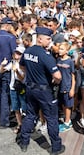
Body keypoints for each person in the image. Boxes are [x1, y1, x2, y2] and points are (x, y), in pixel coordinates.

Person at [18, 26, 65, 155]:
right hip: (44, 91)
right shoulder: (46, 56)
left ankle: (24, 141)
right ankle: (56, 147)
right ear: (39, 39)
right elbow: (58, 76)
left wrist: (32, 75)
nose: (50, 41)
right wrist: (55, 81)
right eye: (48, 39)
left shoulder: (27, 51)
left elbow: (22, 65)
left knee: (30, 115)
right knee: (51, 118)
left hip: (30, 88)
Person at [0, 46, 26, 134]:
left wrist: (17, 71)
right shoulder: (12, 62)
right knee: (16, 108)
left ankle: (28, 124)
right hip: (13, 88)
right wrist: (2, 64)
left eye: (19, 53)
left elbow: (22, 78)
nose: (17, 55)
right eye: (16, 53)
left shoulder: (24, 65)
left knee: (25, 107)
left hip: (22, 88)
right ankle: (20, 124)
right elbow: (1, 71)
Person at [57, 42, 76, 133]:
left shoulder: (70, 62)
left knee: (68, 105)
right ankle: (66, 119)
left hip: (67, 86)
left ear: (67, 51)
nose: (59, 50)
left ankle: (67, 122)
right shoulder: (58, 60)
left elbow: (73, 76)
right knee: (63, 104)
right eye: (59, 48)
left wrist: (72, 88)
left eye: (62, 49)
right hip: (59, 86)